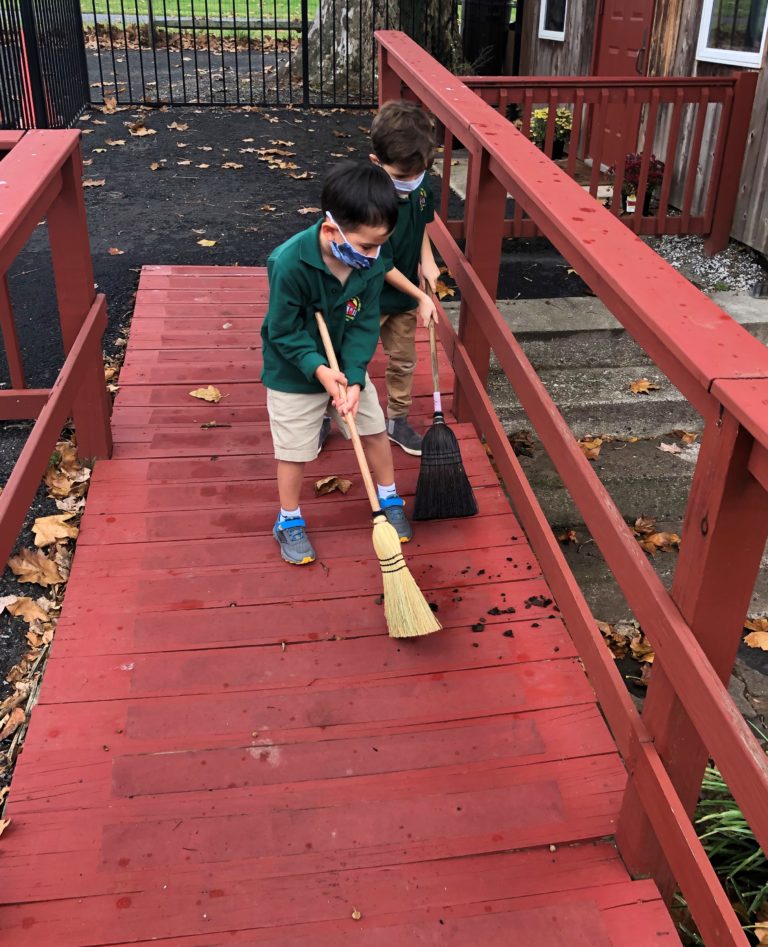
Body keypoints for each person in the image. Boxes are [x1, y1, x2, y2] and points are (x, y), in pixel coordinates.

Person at [262, 162, 416, 565]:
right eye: (366, 246)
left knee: (373, 429)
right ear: (331, 230)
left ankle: (387, 496)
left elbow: (365, 322)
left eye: (380, 245)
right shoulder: (289, 263)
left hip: (346, 368)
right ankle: (289, 519)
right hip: (293, 371)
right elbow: (282, 331)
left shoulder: (371, 260)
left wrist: (355, 379)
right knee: (294, 449)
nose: (373, 255)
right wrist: (318, 369)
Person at [370, 99, 442, 456]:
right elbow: (381, 263)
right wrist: (422, 296)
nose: (411, 183)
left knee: (403, 359)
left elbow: (422, 226)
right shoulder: (370, 202)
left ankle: (397, 420)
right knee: (348, 355)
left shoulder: (422, 190)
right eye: (401, 176)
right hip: (364, 296)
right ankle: (324, 410)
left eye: (418, 173)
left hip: (404, 297)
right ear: (376, 163)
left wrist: (427, 261)